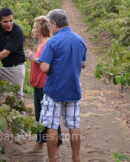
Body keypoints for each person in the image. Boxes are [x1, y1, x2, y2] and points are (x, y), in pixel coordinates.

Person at [38, 9, 87, 162]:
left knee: (52, 126)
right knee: (73, 126)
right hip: (73, 90)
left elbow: (45, 68)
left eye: (49, 25)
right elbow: (84, 64)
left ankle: (52, 159)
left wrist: (40, 62)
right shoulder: (79, 39)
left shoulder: (52, 42)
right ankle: (76, 158)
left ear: (54, 24)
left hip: (54, 91)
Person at [25, 16, 62, 156]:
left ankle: (56, 147)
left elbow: (49, 64)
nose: (32, 30)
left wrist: (35, 59)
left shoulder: (48, 44)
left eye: (34, 28)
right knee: (40, 116)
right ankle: (39, 144)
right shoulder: (40, 44)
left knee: (50, 117)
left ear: (40, 31)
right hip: (38, 85)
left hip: (45, 86)